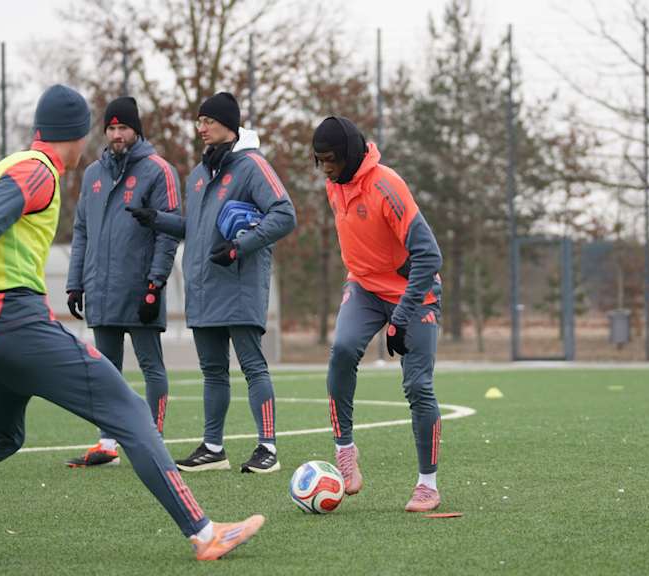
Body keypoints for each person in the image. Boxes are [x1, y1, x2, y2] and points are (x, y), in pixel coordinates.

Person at [0, 85, 263, 561]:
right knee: (131, 411)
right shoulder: (40, 173)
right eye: (89, 134)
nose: (90, 144)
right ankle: (204, 534)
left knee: (2, 436)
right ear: (73, 137)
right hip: (11, 325)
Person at [128, 92, 296, 474]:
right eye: (199, 121)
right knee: (213, 371)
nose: (201, 128)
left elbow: (284, 214)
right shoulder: (199, 175)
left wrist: (240, 247)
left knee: (253, 366)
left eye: (208, 121)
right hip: (203, 286)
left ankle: (267, 447)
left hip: (238, 283)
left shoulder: (253, 165)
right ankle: (213, 447)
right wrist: (157, 218)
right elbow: (197, 228)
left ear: (230, 126)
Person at [311, 116, 444, 512]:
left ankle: (427, 484)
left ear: (350, 154)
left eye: (331, 159)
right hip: (365, 287)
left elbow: (429, 255)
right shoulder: (334, 186)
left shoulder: (387, 185)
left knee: (417, 386)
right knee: (343, 349)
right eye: (319, 161)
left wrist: (401, 317)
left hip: (413, 294)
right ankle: (345, 449)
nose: (326, 168)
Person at [64, 96, 180, 468]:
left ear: (136, 130)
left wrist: (155, 284)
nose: (116, 134)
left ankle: (154, 439)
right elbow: (81, 230)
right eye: (111, 128)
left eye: (123, 127)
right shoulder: (93, 174)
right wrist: (75, 282)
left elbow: (168, 232)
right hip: (101, 290)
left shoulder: (158, 170)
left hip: (139, 289)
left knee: (151, 367)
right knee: (105, 370)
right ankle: (108, 443)